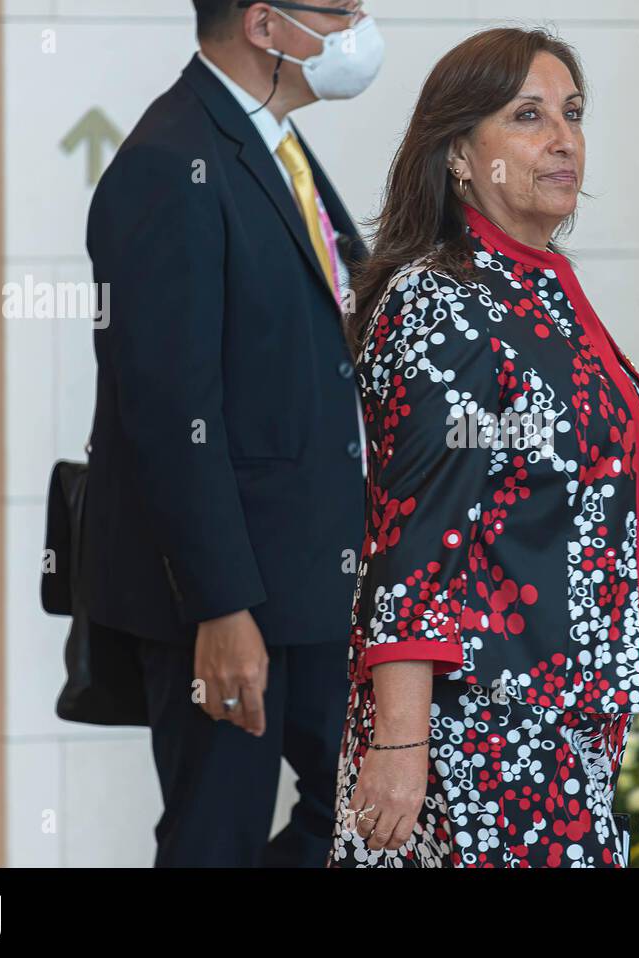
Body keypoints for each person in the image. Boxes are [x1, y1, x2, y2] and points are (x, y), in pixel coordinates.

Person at [330, 26, 639, 868]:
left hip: (559, 729)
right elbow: (413, 538)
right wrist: (402, 748)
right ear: (458, 155)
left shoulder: (539, 287)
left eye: (573, 114)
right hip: (475, 738)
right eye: (528, 115)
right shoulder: (440, 302)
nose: (562, 139)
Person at [83, 0, 382, 866]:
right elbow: (169, 408)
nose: (360, 29)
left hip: (314, 582)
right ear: (264, 25)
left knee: (370, 814)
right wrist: (221, 608)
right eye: (341, 11)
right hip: (229, 598)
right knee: (216, 837)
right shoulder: (171, 160)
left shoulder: (270, 139)